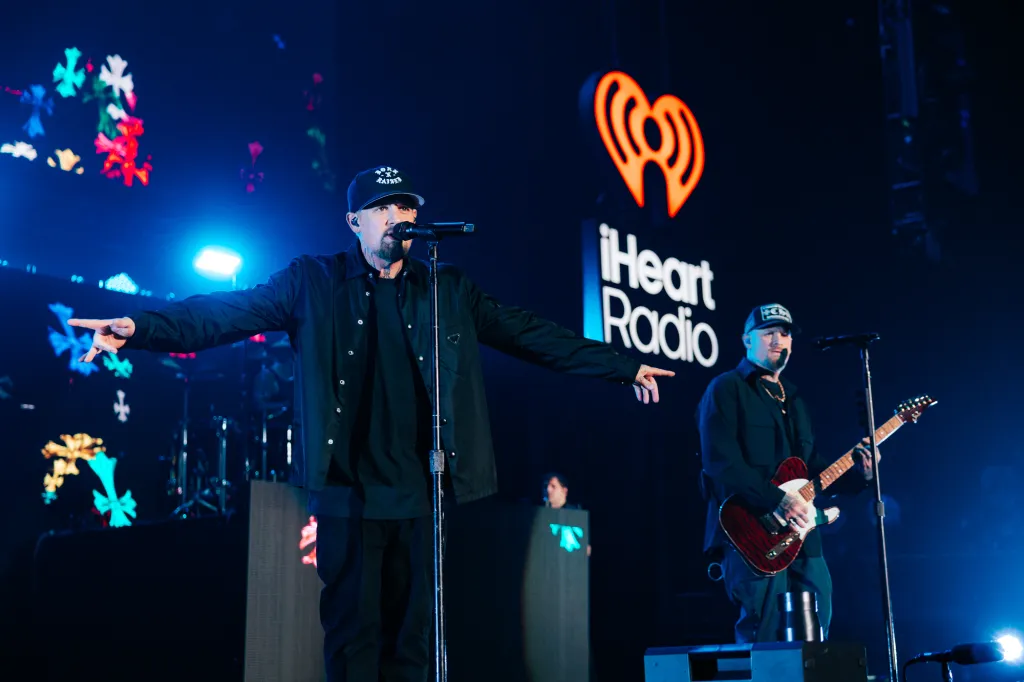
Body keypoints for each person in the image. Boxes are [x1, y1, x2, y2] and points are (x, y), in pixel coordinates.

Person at [68, 164, 675, 682]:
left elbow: (529, 333)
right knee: (352, 644)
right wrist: (138, 327)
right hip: (347, 495)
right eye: (383, 207)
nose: (397, 216)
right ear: (354, 221)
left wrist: (621, 365)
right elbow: (224, 313)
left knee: (413, 649)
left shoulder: (446, 289)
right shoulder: (311, 282)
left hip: (423, 497)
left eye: (405, 206)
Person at [696, 303, 877, 644]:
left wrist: (860, 475)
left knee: (817, 631)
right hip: (751, 531)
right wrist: (777, 500)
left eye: (785, 333)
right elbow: (720, 462)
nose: (778, 340)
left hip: (803, 535)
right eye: (768, 333)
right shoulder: (726, 389)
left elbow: (811, 466)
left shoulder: (794, 400)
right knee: (764, 635)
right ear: (747, 340)